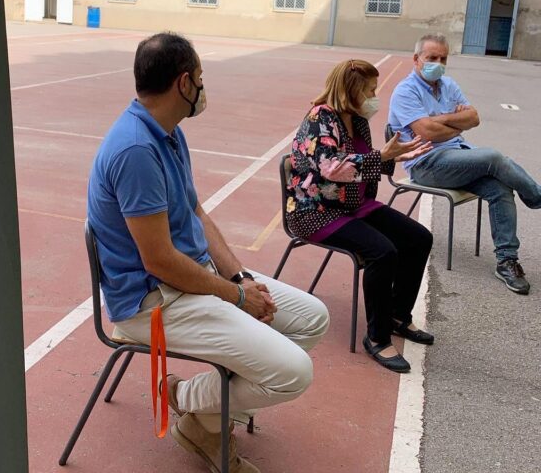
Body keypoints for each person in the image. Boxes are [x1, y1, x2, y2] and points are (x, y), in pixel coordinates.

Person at [87, 32, 329, 473]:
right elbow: (159, 261)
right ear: (184, 83)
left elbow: (196, 211)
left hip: (191, 279)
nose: (202, 86)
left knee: (312, 318)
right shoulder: (137, 150)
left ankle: (203, 419)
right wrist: (237, 297)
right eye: (200, 77)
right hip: (155, 300)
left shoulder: (167, 133)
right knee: (295, 372)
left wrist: (240, 279)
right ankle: (185, 397)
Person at [286, 59, 434, 373]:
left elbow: (362, 162)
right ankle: (377, 338)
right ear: (350, 90)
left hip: (352, 204)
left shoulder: (357, 120)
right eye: (369, 90)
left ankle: (396, 316)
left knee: (419, 238)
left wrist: (393, 157)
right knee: (382, 252)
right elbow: (331, 168)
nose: (373, 97)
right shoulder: (320, 118)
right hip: (316, 211)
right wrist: (383, 156)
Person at [389, 34, 541, 294]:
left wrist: (441, 120)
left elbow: (474, 118)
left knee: (500, 188)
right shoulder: (406, 91)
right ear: (416, 59)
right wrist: (455, 122)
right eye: (432, 58)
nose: (438, 64)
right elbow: (426, 132)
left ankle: (506, 260)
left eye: (443, 58)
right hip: (427, 164)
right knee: (492, 158)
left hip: (458, 157)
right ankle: (536, 195)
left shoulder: (448, 84)